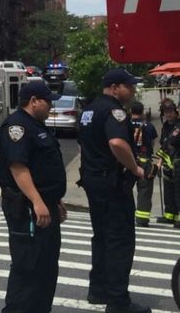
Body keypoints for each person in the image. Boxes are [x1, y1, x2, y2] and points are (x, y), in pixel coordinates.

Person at [79, 68, 151, 313]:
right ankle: (118, 301)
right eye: (129, 86)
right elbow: (117, 142)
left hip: (93, 182)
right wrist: (136, 168)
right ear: (114, 88)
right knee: (120, 241)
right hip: (112, 185)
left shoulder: (89, 110)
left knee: (101, 237)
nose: (132, 91)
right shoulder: (114, 111)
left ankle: (98, 289)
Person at [0, 80, 67, 313]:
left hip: (44, 205)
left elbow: (42, 169)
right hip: (26, 208)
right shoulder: (17, 126)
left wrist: (54, 200)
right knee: (28, 266)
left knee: (46, 267)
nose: (51, 107)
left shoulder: (36, 126)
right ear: (34, 101)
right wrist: (37, 201)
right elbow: (18, 167)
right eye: (48, 102)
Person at [130, 102, 158, 227]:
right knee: (145, 191)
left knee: (124, 189)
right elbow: (152, 143)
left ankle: (123, 216)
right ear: (142, 112)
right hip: (144, 161)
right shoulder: (149, 126)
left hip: (128, 160)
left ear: (131, 111)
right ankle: (142, 219)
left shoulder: (125, 124)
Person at [158, 101, 180, 225]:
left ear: (175, 112)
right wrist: (159, 163)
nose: (168, 114)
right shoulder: (165, 126)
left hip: (178, 161)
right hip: (168, 162)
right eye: (166, 112)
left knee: (178, 190)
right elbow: (164, 144)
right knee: (168, 190)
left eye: (170, 112)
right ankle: (169, 215)